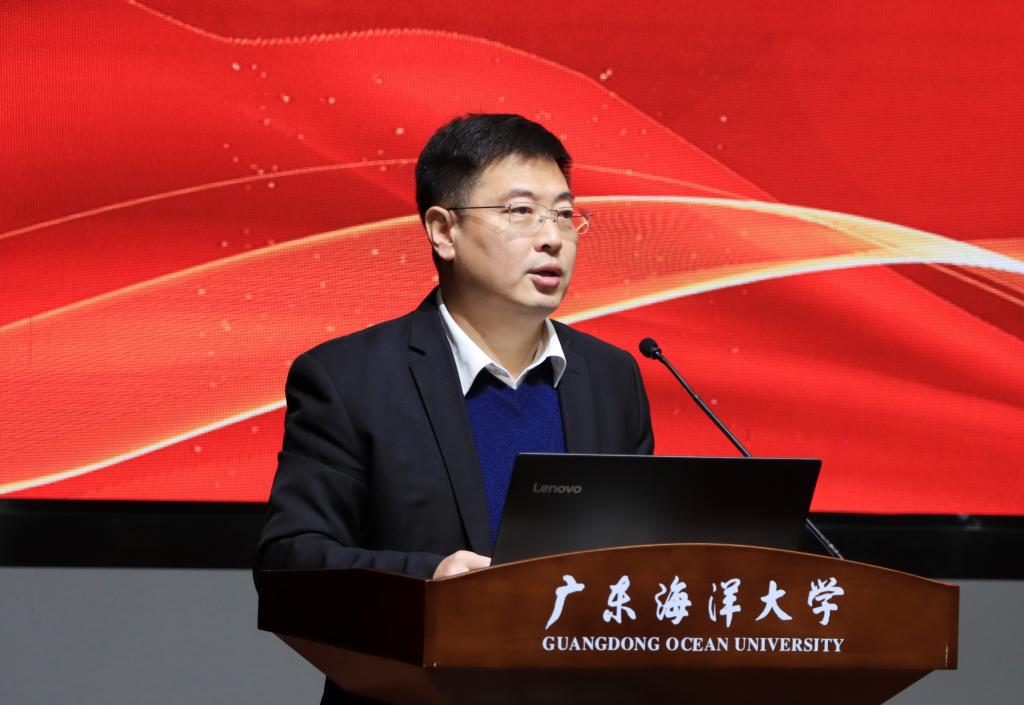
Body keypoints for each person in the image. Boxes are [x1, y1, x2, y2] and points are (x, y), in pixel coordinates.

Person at [255, 113, 654, 704]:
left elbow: (637, 558)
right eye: (521, 211)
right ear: (443, 230)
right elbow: (290, 563)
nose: (552, 237)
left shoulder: (611, 377)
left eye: (564, 214)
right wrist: (429, 581)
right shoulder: (348, 380)